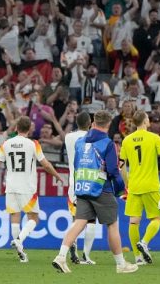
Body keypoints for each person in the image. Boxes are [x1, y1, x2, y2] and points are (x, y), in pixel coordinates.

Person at [52, 111, 138, 274]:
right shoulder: (107, 143)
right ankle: (121, 264)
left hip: (83, 187)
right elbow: (113, 170)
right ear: (108, 124)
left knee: (79, 222)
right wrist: (121, 189)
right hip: (101, 189)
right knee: (112, 225)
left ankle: (61, 257)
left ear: (93, 122)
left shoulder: (80, 141)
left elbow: (76, 165)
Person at [0, 116, 62, 263]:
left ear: (16, 128)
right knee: (34, 218)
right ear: (29, 129)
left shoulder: (6, 144)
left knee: (15, 217)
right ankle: (19, 240)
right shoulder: (33, 144)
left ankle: (20, 252)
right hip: (27, 187)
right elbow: (46, 164)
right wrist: (57, 176)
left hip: (10, 186)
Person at [120, 110, 160, 265]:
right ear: (144, 121)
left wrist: (127, 183)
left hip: (134, 186)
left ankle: (137, 257)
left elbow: (121, 166)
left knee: (133, 222)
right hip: (151, 185)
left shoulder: (127, 140)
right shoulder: (154, 138)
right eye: (148, 118)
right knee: (157, 218)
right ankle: (144, 242)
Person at [64, 112, 97, 265]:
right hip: (89, 180)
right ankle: (86, 256)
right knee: (90, 220)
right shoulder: (95, 138)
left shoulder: (68, 137)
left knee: (75, 218)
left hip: (73, 182)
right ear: (90, 122)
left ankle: (73, 245)